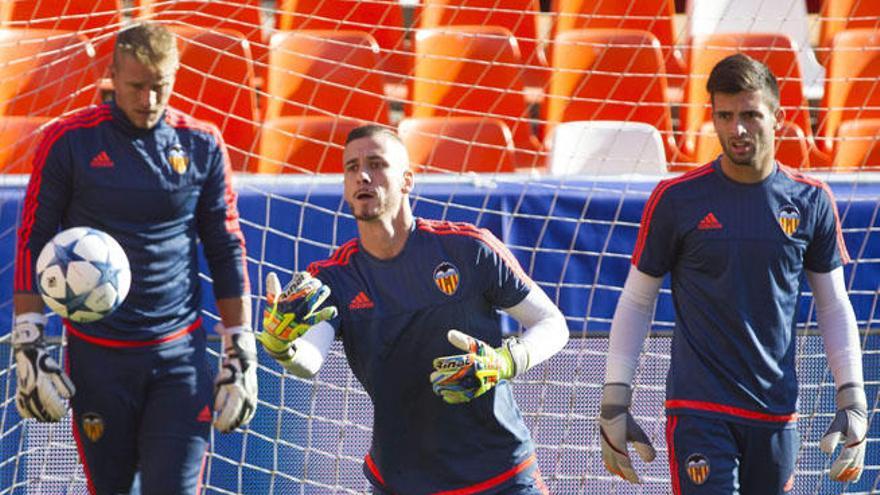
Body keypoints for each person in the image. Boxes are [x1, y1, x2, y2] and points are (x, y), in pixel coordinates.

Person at [598, 53, 867, 493]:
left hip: (776, 411)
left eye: (750, 115)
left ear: (778, 117)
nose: (737, 129)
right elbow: (636, 301)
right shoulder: (676, 199)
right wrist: (614, 399)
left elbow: (834, 305)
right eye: (724, 116)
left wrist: (852, 395)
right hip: (698, 409)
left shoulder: (811, 200)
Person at [256, 124, 570, 494]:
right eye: (352, 167)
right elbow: (309, 360)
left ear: (407, 180)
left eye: (376, 164)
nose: (363, 176)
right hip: (403, 482)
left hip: (500, 475)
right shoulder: (332, 278)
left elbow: (553, 324)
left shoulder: (470, 249)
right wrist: (284, 347)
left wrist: (506, 361)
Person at [12, 22, 257, 494]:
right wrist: (29, 341)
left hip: (178, 357)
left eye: (159, 87)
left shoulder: (201, 143)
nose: (148, 99)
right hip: (97, 358)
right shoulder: (68, 142)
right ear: (112, 76)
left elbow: (226, 245)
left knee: (174, 489)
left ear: (176, 78)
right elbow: (32, 240)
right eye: (136, 86)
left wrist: (238, 345)